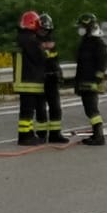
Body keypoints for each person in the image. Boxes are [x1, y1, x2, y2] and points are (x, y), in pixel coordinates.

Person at [73, 12, 107, 146]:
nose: (80, 29)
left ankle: (99, 136)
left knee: (92, 109)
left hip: (91, 82)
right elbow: (81, 65)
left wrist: (97, 79)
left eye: (82, 26)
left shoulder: (97, 43)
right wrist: (77, 84)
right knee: (89, 109)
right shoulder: (86, 42)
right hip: (84, 81)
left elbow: (103, 63)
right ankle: (96, 134)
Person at [13, 10, 49, 145]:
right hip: (29, 81)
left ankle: (27, 134)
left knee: (26, 110)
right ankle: (25, 137)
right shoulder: (30, 40)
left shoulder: (21, 38)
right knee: (27, 111)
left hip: (23, 80)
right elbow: (40, 57)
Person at [37, 13, 69, 143]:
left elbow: (54, 60)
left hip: (51, 78)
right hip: (39, 78)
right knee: (40, 107)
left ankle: (55, 134)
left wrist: (58, 73)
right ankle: (41, 134)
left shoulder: (51, 41)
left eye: (46, 30)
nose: (44, 32)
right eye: (42, 29)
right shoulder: (34, 41)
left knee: (55, 107)